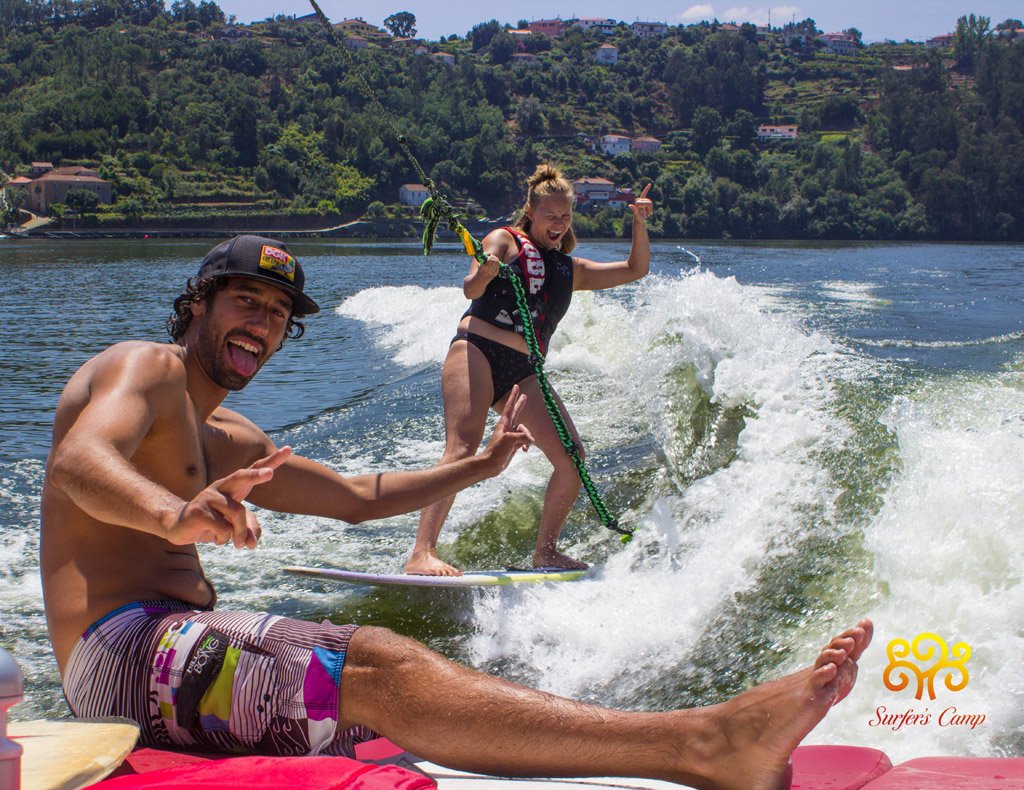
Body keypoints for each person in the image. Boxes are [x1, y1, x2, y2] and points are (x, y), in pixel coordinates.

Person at [41, 234, 873, 788]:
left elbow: (359, 502)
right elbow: (83, 460)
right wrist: (174, 514)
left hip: (162, 652)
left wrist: (473, 470)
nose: (263, 320)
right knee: (381, 670)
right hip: (118, 655)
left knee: (378, 685)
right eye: (246, 301)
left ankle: (688, 740)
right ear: (199, 304)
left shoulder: (224, 433)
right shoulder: (142, 367)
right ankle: (703, 746)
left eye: (279, 313)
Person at [406, 164, 653, 576]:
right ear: (531, 213)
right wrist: (484, 273)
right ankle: (421, 553)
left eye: (566, 217)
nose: (559, 224)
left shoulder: (569, 269)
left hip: (524, 370)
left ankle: (546, 552)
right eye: (551, 216)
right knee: (463, 448)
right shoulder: (504, 240)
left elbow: (635, 269)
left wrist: (639, 222)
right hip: (476, 351)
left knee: (572, 457)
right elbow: (471, 288)